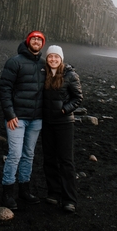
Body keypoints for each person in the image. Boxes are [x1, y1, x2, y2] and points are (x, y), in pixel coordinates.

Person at [0, 30, 47, 210]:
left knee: (29, 155)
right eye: (33, 38)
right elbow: (4, 89)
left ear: (42, 44)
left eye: (39, 39)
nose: (36, 41)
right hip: (17, 119)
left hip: (36, 119)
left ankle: (24, 190)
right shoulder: (14, 62)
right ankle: (7, 193)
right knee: (15, 155)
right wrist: (10, 115)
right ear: (28, 41)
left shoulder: (44, 64)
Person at [41, 45, 83, 213]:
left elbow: (78, 97)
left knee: (66, 161)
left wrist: (65, 109)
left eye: (56, 57)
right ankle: (54, 193)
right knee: (49, 159)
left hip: (65, 123)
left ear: (61, 59)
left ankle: (69, 200)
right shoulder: (43, 74)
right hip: (47, 122)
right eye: (50, 56)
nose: (53, 59)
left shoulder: (70, 75)